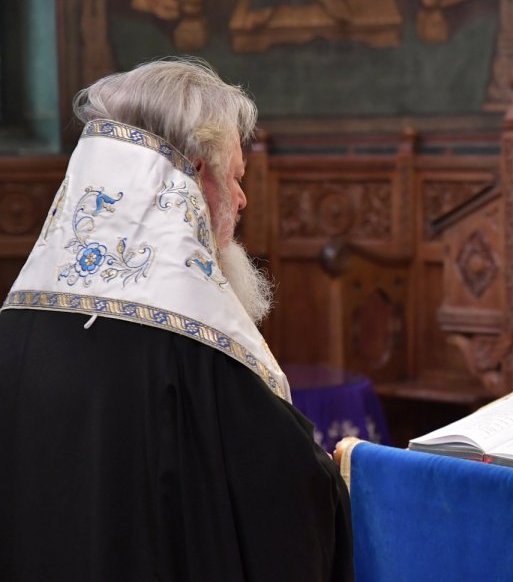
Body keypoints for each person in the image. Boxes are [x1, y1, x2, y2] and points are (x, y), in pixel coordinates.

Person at [0, 58, 353, 581]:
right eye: (235, 178)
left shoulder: (15, 327)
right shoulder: (200, 350)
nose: (241, 199)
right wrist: (340, 476)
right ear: (192, 177)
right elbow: (288, 500)